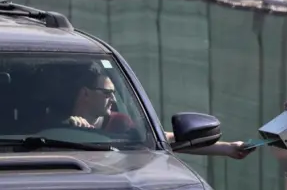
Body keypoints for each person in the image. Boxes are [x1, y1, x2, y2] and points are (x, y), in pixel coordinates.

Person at [65, 64, 254, 160]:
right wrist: (71, 130)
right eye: (107, 94)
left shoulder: (120, 124)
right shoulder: (50, 124)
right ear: (85, 93)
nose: (113, 100)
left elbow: (165, 140)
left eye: (114, 94)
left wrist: (228, 148)